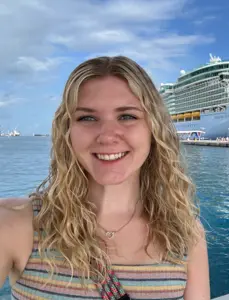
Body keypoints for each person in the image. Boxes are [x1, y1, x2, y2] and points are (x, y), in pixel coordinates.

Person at [0, 56, 210, 299]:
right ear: (67, 132)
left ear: (154, 129)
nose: (108, 136)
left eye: (127, 116)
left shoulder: (185, 235)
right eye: (87, 118)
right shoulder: (16, 226)